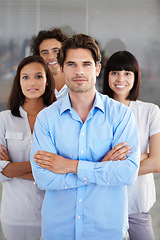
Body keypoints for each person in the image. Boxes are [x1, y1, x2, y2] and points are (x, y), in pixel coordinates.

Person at [30, 34, 140, 240]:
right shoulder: (46, 119)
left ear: (97, 69)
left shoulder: (121, 115)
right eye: (71, 64)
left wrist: (71, 166)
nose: (79, 71)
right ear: (62, 69)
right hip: (58, 232)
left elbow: (127, 173)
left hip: (107, 231)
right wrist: (101, 168)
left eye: (86, 64)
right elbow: (44, 178)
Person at [102, 50, 160, 240]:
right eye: (115, 73)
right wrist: (142, 156)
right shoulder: (97, 111)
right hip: (102, 205)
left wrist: (111, 167)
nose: (121, 79)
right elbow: (92, 159)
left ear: (135, 77)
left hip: (137, 206)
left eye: (127, 73)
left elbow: (157, 163)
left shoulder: (149, 111)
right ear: (107, 76)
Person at [0, 55, 56, 240]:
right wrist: (45, 166)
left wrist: (11, 169)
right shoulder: (4, 120)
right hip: (15, 215)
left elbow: (63, 172)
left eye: (38, 76)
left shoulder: (59, 120)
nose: (32, 82)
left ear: (47, 81)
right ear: (19, 82)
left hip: (53, 214)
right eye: (25, 77)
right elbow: (0, 172)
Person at [30, 27, 68, 99]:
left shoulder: (76, 80)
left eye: (55, 51)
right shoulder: (34, 86)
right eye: (44, 53)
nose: (50, 57)